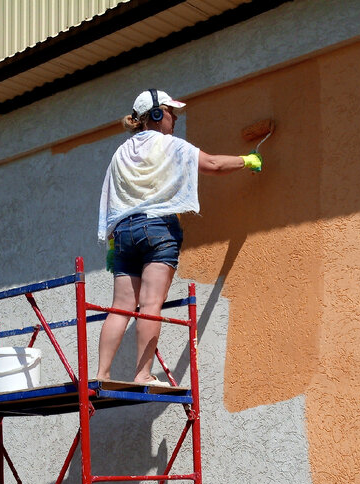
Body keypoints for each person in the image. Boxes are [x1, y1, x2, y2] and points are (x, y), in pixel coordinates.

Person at [95, 89, 263, 384]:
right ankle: (142, 374)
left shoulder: (120, 153)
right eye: (171, 112)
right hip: (157, 229)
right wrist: (247, 160)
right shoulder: (168, 145)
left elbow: (111, 198)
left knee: (120, 308)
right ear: (158, 115)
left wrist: (112, 242)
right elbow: (212, 165)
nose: (175, 119)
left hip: (122, 233)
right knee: (149, 305)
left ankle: (101, 374)